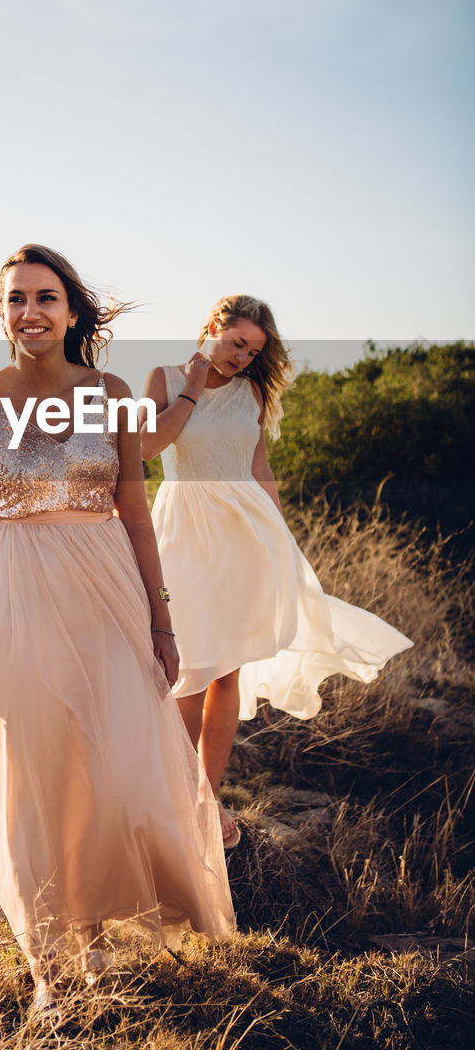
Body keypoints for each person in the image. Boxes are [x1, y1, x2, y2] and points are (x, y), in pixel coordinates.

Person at [0, 245, 234, 1016]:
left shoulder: (113, 394)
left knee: (113, 768)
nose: (30, 312)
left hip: (110, 597)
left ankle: (93, 936)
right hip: (17, 597)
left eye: (45, 297)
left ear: (71, 311)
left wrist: (162, 626)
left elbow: (135, 515)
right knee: (39, 775)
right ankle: (49, 966)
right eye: (15, 299)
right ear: (1, 313)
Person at [141, 295, 413, 849]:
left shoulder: (251, 392)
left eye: (255, 350)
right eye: (238, 343)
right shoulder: (164, 377)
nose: (243, 357)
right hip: (185, 531)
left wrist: (281, 542)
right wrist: (192, 388)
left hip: (246, 535)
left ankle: (205, 799)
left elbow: (259, 468)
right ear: (213, 327)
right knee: (186, 668)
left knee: (227, 672)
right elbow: (145, 446)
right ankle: (174, 792)